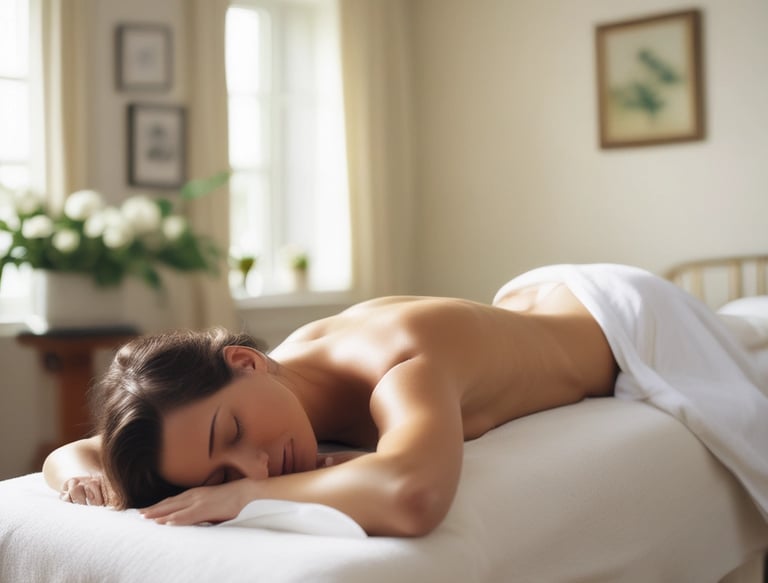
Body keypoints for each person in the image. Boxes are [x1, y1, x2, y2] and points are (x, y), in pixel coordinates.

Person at [45, 263, 767, 536]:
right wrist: (82, 472)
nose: (256, 463)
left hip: (621, 315)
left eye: (232, 433)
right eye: (223, 472)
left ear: (246, 360)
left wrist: (242, 495)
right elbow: (72, 455)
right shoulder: (264, 391)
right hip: (527, 307)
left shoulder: (397, 360)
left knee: (747, 329)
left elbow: (413, 494)